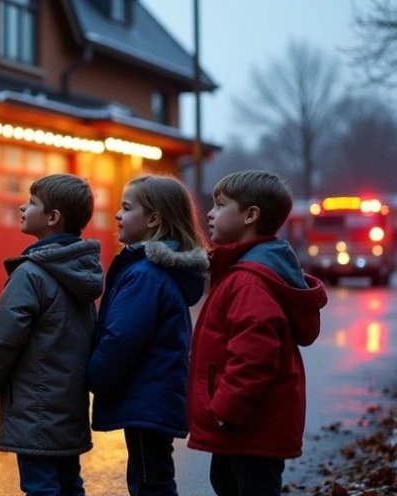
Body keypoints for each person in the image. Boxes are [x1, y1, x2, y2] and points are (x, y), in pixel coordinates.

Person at [186, 170, 328, 496]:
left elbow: (254, 356)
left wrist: (225, 409)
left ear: (250, 215)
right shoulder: (245, 271)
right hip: (245, 424)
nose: (209, 213)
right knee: (225, 481)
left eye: (220, 205)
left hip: (248, 423)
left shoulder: (248, 281)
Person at [0, 174, 104, 496]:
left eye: (32, 203)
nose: (22, 206)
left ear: (52, 218)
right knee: (69, 483)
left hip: (34, 408)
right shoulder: (82, 271)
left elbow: (4, 340)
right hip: (69, 405)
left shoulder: (30, 274)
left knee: (40, 486)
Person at [87, 174, 209, 496]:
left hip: (147, 398)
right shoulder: (153, 270)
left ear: (154, 219)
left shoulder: (145, 274)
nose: (117, 215)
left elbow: (121, 338)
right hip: (155, 395)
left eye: (126, 208)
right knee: (151, 477)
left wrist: (93, 377)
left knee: (149, 484)